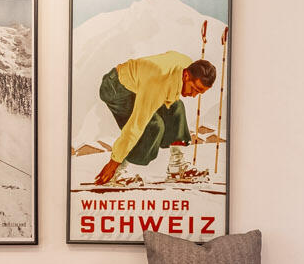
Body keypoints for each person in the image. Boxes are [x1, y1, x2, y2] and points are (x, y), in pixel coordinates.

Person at [92, 52, 216, 186]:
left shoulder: (188, 65)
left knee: (177, 107)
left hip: (141, 84)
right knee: (153, 126)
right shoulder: (157, 84)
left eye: (199, 93)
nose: (194, 95)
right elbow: (135, 126)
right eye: (194, 89)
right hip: (116, 88)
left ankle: (176, 166)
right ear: (186, 76)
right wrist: (113, 162)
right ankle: (117, 172)